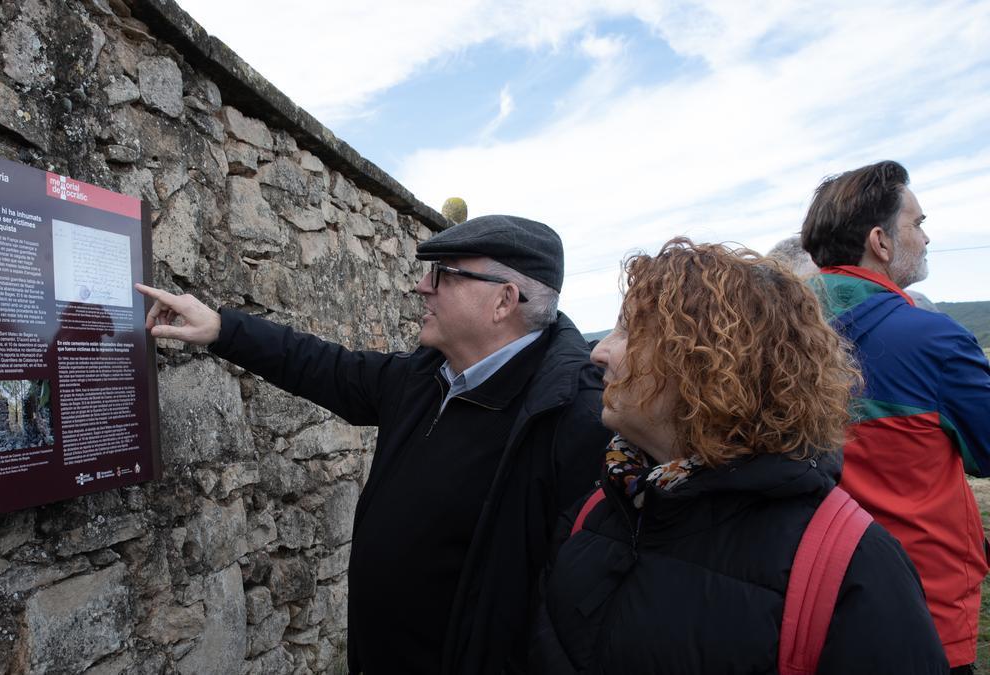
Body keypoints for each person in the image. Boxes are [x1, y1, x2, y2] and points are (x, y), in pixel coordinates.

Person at [136, 214, 612, 674]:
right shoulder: (425, 376)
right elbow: (322, 366)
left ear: (504, 301)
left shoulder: (571, 419)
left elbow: (572, 613)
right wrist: (221, 328)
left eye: (443, 274)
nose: (423, 286)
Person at [531, 238, 948, 674]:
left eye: (630, 331)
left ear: (709, 364)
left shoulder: (848, 565)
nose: (599, 352)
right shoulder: (600, 507)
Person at [800, 160, 990, 672]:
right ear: (881, 241)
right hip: (924, 604)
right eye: (918, 224)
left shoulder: (775, 338)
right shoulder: (933, 339)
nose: (926, 238)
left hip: (807, 600)